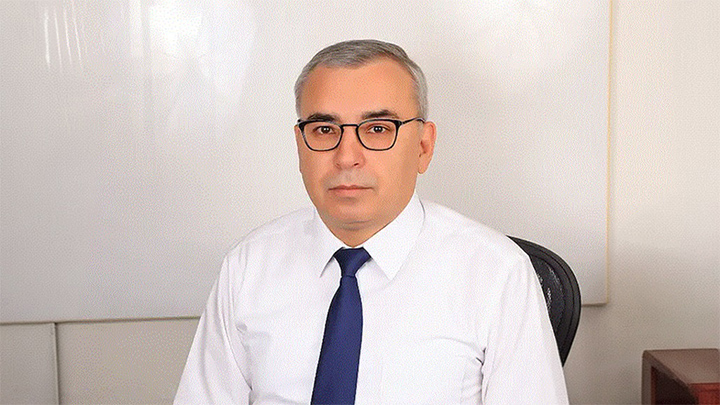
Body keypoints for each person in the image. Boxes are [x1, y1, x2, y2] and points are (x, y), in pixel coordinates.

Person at [175, 39, 569, 404]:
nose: (347, 156)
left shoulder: (496, 274)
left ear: (423, 146)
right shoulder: (248, 267)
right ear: (300, 147)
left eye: (378, 129)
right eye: (324, 129)